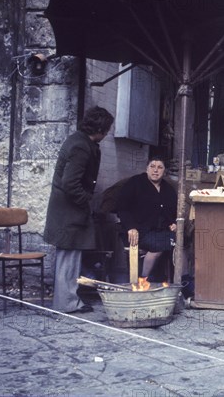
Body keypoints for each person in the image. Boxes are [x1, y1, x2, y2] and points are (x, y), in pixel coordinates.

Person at [44, 106, 114, 313]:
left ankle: (69, 299)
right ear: (100, 128)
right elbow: (70, 183)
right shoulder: (81, 146)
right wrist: (87, 201)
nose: (108, 133)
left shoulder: (81, 141)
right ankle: (66, 303)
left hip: (70, 209)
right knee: (68, 255)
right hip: (69, 210)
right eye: (107, 129)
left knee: (71, 255)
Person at [116, 157, 177, 280]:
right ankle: (143, 279)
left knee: (182, 242)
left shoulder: (168, 189)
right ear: (147, 169)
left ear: (164, 171)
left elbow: (172, 211)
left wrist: (173, 223)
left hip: (161, 232)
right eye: (152, 167)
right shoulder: (135, 183)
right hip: (138, 231)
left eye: (160, 167)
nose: (155, 170)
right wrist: (130, 227)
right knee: (160, 244)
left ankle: (180, 283)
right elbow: (122, 208)